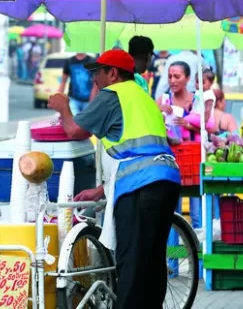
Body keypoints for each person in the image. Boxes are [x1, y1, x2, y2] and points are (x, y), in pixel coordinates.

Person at [48, 49, 180, 309]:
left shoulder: (113, 95)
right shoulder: (143, 98)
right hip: (167, 179)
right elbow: (136, 152)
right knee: (152, 259)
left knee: (131, 260)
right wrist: (100, 191)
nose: (94, 79)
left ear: (113, 73)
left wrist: (63, 106)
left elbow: (75, 130)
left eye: (97, 73)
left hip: (141, 186)